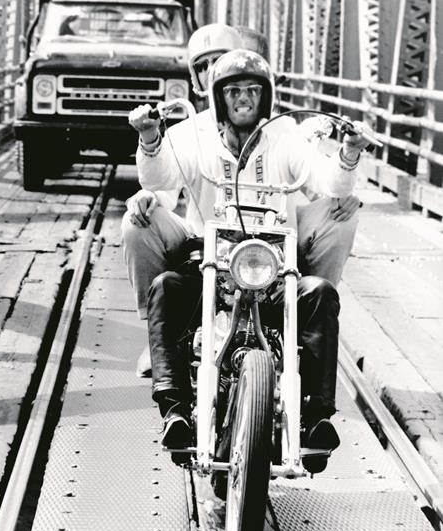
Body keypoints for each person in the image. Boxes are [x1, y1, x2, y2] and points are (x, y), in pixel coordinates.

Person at [126, 49, 375, 473]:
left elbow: (324, 177)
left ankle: (315, 419)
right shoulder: (198, 135)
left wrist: (349, 152)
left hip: (273, 266)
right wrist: (150, 137)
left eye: (253, 91)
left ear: (266, 97)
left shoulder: (285, 138)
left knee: (319, 292)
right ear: (220, 97)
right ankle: (175, 410)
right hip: (211, 263)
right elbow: (160, 176)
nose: (243, 99)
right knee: (167, 284)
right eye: (235, 91)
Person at [123, 24, 361, 379]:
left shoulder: (282, 132)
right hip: (206, 243)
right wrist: (149, 165)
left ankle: (311, 322)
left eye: (224, 64)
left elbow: (321, 180)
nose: (213, 73)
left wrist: (346, 165)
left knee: (343, 214)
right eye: (204, 67)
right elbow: (163, 184)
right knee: (136, 221)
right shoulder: (190, 128)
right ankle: (158, 334)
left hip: (273, 243)